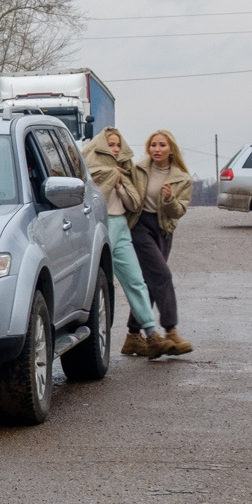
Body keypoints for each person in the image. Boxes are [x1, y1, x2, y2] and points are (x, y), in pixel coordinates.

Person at [82, 128, 159, 347]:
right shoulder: (91, 166)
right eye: (111, 145)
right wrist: (109, 175)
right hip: (99, 227)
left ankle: (151, 331)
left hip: (121, 226)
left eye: (118, 144)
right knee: (97, 284)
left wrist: (120, 184)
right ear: (102, 146)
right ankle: (93, 341)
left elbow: (134, 203)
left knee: (136, 281)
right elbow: (90, 193)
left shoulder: (125, 169)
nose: (115, 149)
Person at [126, 129, 194, 358]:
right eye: (153, 145)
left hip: (164, 230)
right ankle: (171, 330)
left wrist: (169, 199)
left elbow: (179, 211)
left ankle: (133, 336)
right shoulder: (138, 170)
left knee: (151, 281)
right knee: (162, 276)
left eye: (162, 145)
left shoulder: (182, 178)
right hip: (140, 227)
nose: (157, 149)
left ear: (171, 149)